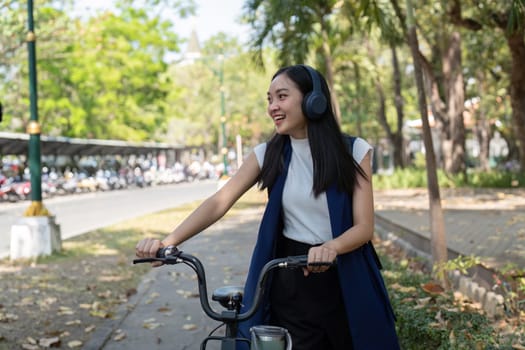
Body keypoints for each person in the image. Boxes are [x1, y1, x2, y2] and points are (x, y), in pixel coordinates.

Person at [135, 64, 400, 349]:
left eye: (282, 96)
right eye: (269, 99)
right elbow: (219, 201)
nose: (273, 107)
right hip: (290, 282)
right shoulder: (268, 154)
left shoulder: (353, 151)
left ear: (314, 101)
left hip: (347, 275)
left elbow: (364, 227)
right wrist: (168, 243)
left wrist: (332, 247)